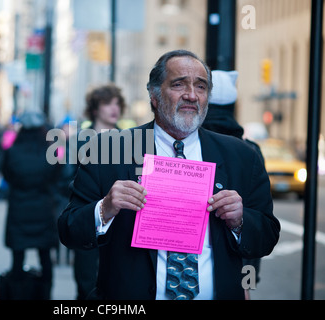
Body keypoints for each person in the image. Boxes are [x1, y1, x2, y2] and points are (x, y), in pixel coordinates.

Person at [58, 49, 280, 300]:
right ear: (154, 95)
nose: (191, 95)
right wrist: (104, 208)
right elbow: (69, 230)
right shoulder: (108, 151)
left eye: (201, 86)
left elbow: (267, 236)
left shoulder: (241, 156)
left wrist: (240, 221)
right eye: (178, 84)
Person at [202, 70, 265, 299]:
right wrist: (247, 282)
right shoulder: (250, 150)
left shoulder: (185, 146)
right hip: (234, 269)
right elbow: (253, 222)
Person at [71, 84, 126, 300]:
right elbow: (68, 176)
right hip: (89, 214)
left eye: (117, 103)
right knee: (85, 282)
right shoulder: (82, 139)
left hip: (120, 221)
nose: (114, 108)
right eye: (107, 103)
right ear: (95, 109)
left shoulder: (129, 139)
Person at [1, 111, 61, 299]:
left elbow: (7, 176)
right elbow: (56, 177)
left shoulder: (12, 152)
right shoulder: (50, 153)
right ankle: (45, 294)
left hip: (19, 208)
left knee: (18, 257)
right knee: (45, 257)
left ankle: (17, 294)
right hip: (43, 209)